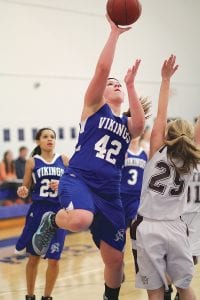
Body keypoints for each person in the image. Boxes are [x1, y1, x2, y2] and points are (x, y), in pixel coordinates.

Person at [32, 15, 145, 300]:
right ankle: (52, 220)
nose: (115, 84)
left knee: (115, 259)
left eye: (118, 84)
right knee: (80, 219)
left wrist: (130, 84)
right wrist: (115, 35)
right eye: (112, 83)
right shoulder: (94, 106)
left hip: (110, 192)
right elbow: (103, 67)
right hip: (80, 179)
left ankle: (110, 297)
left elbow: (140, 126)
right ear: (101, 92)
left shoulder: (126, 124)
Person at [131, 55, 200, 300]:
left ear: (167, 134)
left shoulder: (158, 149)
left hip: (149, 228)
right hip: (177, 227)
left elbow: (161, 114)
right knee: (184, 287)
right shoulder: (194, 157)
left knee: (156, 291)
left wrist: (165, 79)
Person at [14, 128, 69, 300]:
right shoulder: (32, 162)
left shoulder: (64, 159)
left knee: (54, 259)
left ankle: (47, 296)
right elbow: (26, 187)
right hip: (38, 211)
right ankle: (30, 295)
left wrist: (61, 185)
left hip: (58, 213)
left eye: (52, 137)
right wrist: (22, 191)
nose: (49, 139)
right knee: (34, 257)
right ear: (38, 141)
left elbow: (74, 184)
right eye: (45, 137)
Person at [173, 116, 200, 300]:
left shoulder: (179, 158)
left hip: (182, 219)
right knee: (182, 275)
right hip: (194, 220)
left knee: (181, 279)